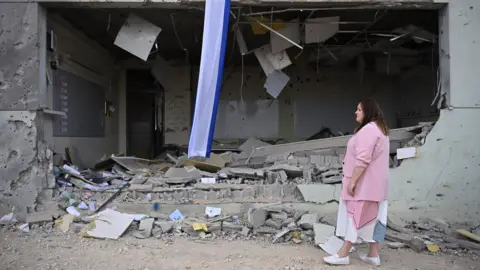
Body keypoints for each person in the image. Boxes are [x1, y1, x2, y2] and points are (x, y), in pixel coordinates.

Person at [323, 98, 390, 266]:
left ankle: (343, 254)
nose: (356, 112)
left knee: (354, 218)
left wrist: (353, 181)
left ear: (368, 111)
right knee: (374, 219)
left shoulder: (368, 130)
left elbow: (363, 159)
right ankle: (373, 255)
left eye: (359, 110)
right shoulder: (380, 129)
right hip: (376, 186)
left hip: (364, 185)